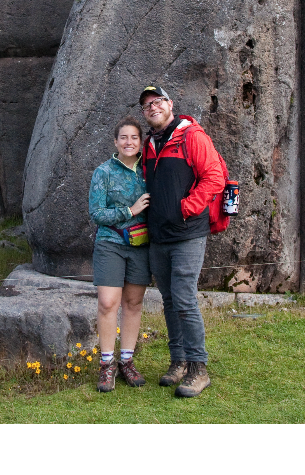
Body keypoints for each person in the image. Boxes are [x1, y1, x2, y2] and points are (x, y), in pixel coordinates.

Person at [138, 85, 225, 398]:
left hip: (188, 233)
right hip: (158, 235)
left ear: (170, 104)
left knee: (185, 297)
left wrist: (187, 207)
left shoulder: (192, 137)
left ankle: (198, 369)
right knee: (170, 299)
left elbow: (214, 177)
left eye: (157, 101)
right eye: (146, 105)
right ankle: (179, 361)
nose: (152, 107)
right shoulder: (150, 144)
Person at [88, 116, 151, 393]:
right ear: (115, 142)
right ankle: (106, 364)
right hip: (110, 242)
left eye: (134, 138)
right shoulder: (103, 172)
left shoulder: (148, 171)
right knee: (107, 302)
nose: (129, 142)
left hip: (140, 245)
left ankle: (127, 360)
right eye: (123, 137)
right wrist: (130, 211)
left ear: (141, 143)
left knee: (134, 303)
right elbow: (96, 213)